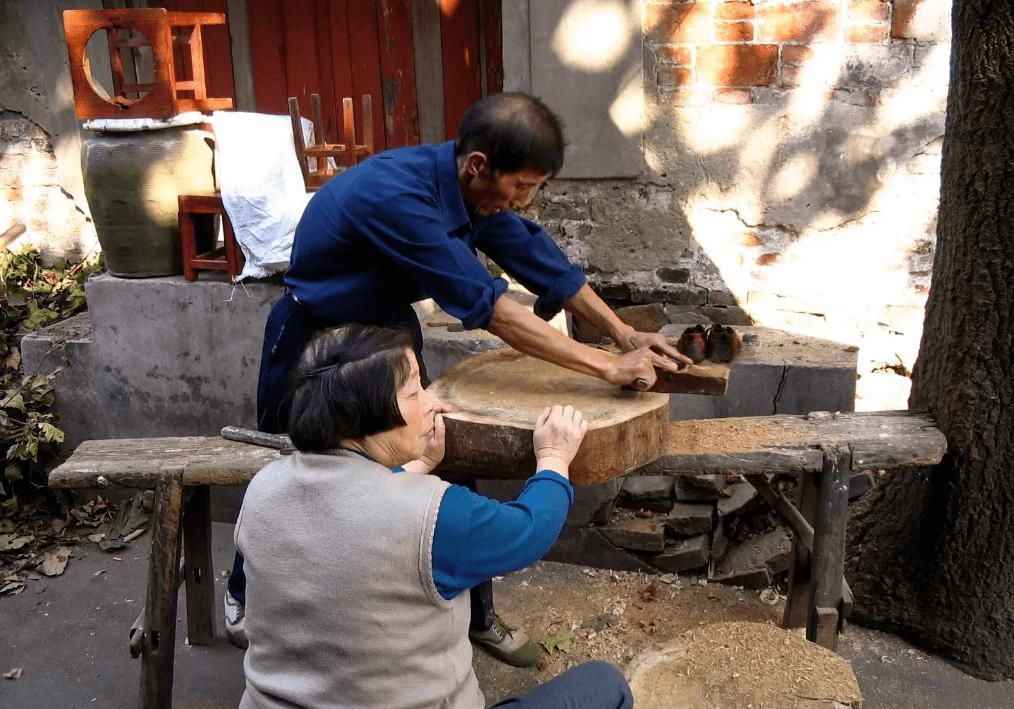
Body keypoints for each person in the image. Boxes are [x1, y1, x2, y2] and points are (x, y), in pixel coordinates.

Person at [229, 91, 691, 663]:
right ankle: (245, 597)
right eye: (522, 187)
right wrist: (602, 364)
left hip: (387, 330)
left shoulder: (477, 197)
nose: (525, 201)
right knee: (301, 474)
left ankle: (475, 614)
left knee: (442, 451)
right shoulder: (398, 196)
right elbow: (490, 307)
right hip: (318, 339)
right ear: (479, 167)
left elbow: (540, 260)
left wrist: (623, 334)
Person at [235, 324, 633, 709]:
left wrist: (422, 462)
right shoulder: (436, 516)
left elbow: (354, 511)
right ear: (371, 412)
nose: (432, 402)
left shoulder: (263, 488)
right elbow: (529, 529)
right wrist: (554, 459)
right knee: (604, 686)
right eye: (414, 391)